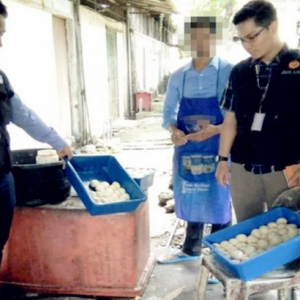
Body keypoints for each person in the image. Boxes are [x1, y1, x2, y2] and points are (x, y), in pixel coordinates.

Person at [0, 1, 72, 265]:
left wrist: (57, 141)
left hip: (2, 176)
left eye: (1, 35)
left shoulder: (1, 79)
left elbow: (23, 115)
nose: (0, 44)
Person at [158, 16, 233, 269]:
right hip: (188, 146)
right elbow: (168, 112)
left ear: (215, 40)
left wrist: (215, 130)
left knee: (219, 194)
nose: (200, 42)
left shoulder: (229, 72)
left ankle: (220, 256)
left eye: (206, 36)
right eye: (194, 37)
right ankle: (190, 248)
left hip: (219, 146)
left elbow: (238, 114)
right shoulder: (178, 76)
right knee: (192, 191)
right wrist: (173, 130)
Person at [216, 0, 300, 222]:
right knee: (246, 231)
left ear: (273, 27)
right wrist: (223, 159)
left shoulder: (297, 66)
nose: (247, 45)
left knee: (286, 230)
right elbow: (231, 119)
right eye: (241, 40)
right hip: (244, 165)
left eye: (252, 37)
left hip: (286, 167)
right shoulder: (240, 72)